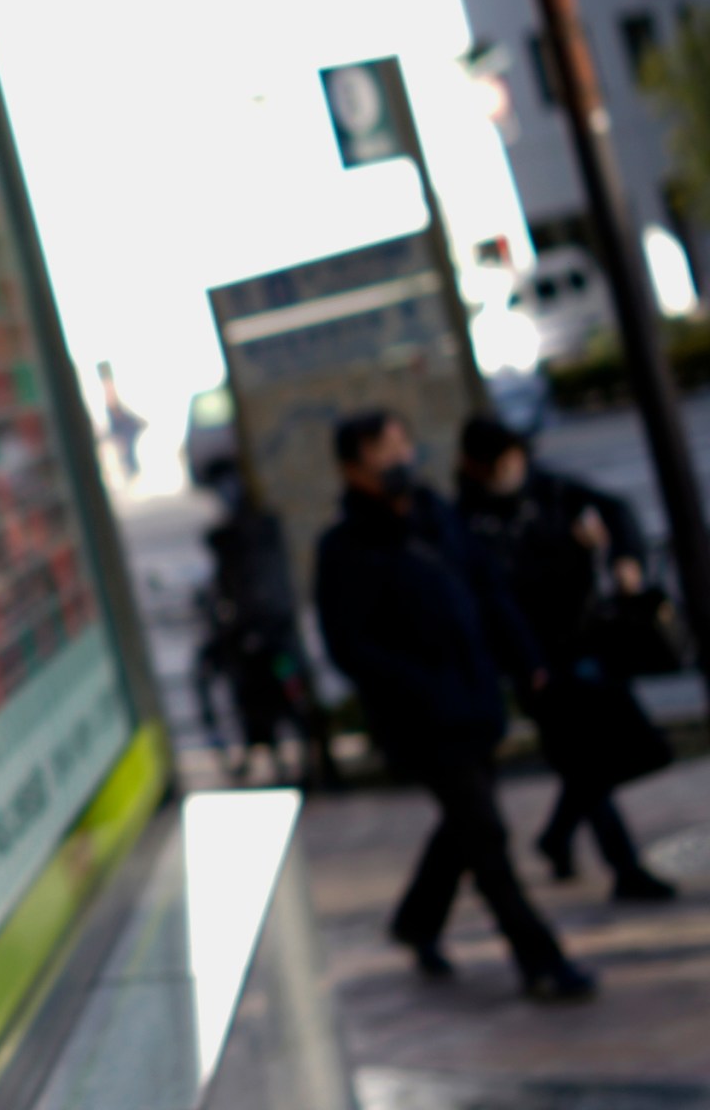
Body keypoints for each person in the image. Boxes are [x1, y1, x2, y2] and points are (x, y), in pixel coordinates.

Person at [314, 410, 597, 1000]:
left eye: (401, 444)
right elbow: (350, 645)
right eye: (381, 452)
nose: (397, 460)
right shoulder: (343, 549)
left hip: (474, 699)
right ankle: (539, 960)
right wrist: (417, 684)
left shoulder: (434, 514)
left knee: (464, 827)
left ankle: (417, 921)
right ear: (352, 469)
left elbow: (487, 589)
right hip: (421, 719)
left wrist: (525, 660)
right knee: (486, 835)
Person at [453, 415, 677, 901]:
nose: (514, 468)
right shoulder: (465, 522)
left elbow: (617, 511)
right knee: (583, 761)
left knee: (637, 750)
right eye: (503, 461)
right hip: (534, 660)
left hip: (586, 639)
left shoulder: (549, 490)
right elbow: (497, 594)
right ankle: (625, 867)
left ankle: (557, 835)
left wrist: (624, 558)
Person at [201, 460, 341, 788]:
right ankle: (295, 754)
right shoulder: (237, 535)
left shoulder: (245, 535)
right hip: (271, 628)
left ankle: (304, 754)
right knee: (269, 688)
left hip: (269, 630)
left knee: (278, 688)